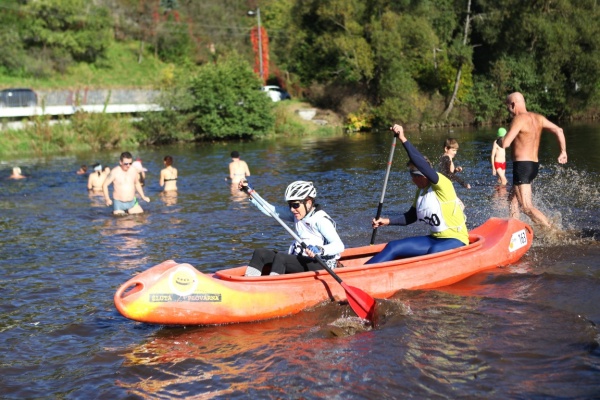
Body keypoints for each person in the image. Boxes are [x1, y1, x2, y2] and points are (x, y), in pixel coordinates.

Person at [367, 124, 468, 264]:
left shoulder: (441, 184)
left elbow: (421, 164)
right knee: (393, 246)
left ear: (424, 174)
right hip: (435, 239)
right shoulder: (421, 192)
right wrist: (386, 221)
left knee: (433, 252)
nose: (412, 179)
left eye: (415, 176)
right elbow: (411, 217)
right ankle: (357, 274)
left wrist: (402, 138)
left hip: (456, 239)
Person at [239, 180, 344, 276]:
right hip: (301, 260)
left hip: (322, 265)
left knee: (282, 257)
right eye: (290, 205)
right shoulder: (297, 214)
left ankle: (274, 288)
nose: (293, 209)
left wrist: (320, 249)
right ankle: (249, 282)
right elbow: (271, 210)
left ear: (308, 202)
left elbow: (339, 246)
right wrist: (251, 193)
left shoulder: (321, 220)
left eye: (295, 205)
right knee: (260, 253)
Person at [500, 92, 567, 228]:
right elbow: (559, 130)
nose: (508, 110)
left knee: (526, 206)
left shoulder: (519, 119)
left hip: (522, 166)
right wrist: (563, 152)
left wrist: (499, 140)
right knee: (512, 200)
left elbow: (506, 143)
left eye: (507, 106)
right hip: (533, 166)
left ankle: (552, 231)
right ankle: (514, 229)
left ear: (512, 105)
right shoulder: (538, 118)